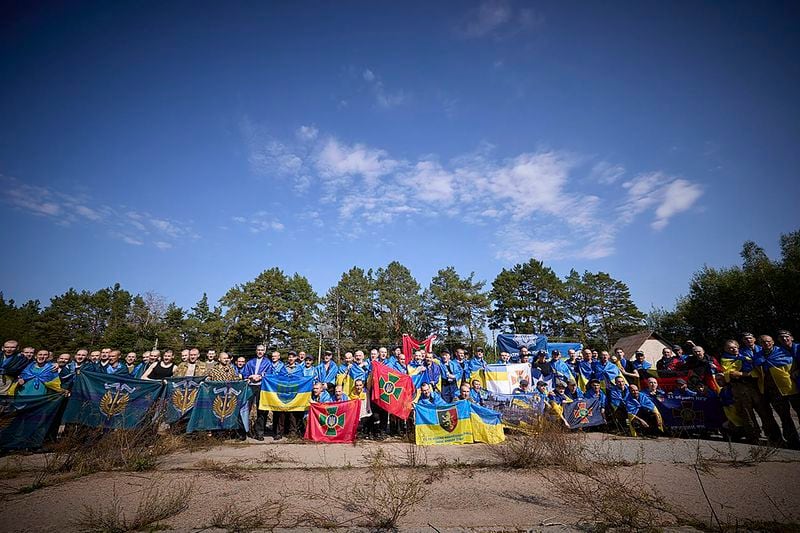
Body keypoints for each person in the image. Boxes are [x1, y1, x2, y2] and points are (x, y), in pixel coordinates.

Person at [719, 339, 779, 442]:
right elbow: (730, 373)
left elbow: (756, 370)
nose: (733, 349)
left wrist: (744, 374)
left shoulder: (747, 357)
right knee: (747, 414)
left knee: (765, 412)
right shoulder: (725, 360)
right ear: (726, 349)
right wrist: (742, 374)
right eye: (730, 348)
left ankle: (774, 437)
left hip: (754, 387)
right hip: (739, 389)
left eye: (735, 347)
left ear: (738, 347)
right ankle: (753, 437)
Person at [754, 335, 800, 448]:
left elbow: (793, 365)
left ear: (773, 342)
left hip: (790, 388)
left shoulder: (783, 352)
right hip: (774, 392)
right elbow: (756, 372)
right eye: (763, 342)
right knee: (785, 417)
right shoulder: (757, 356)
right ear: (760, 344)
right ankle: (793, 441)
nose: (766, 343)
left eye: (768, 341)